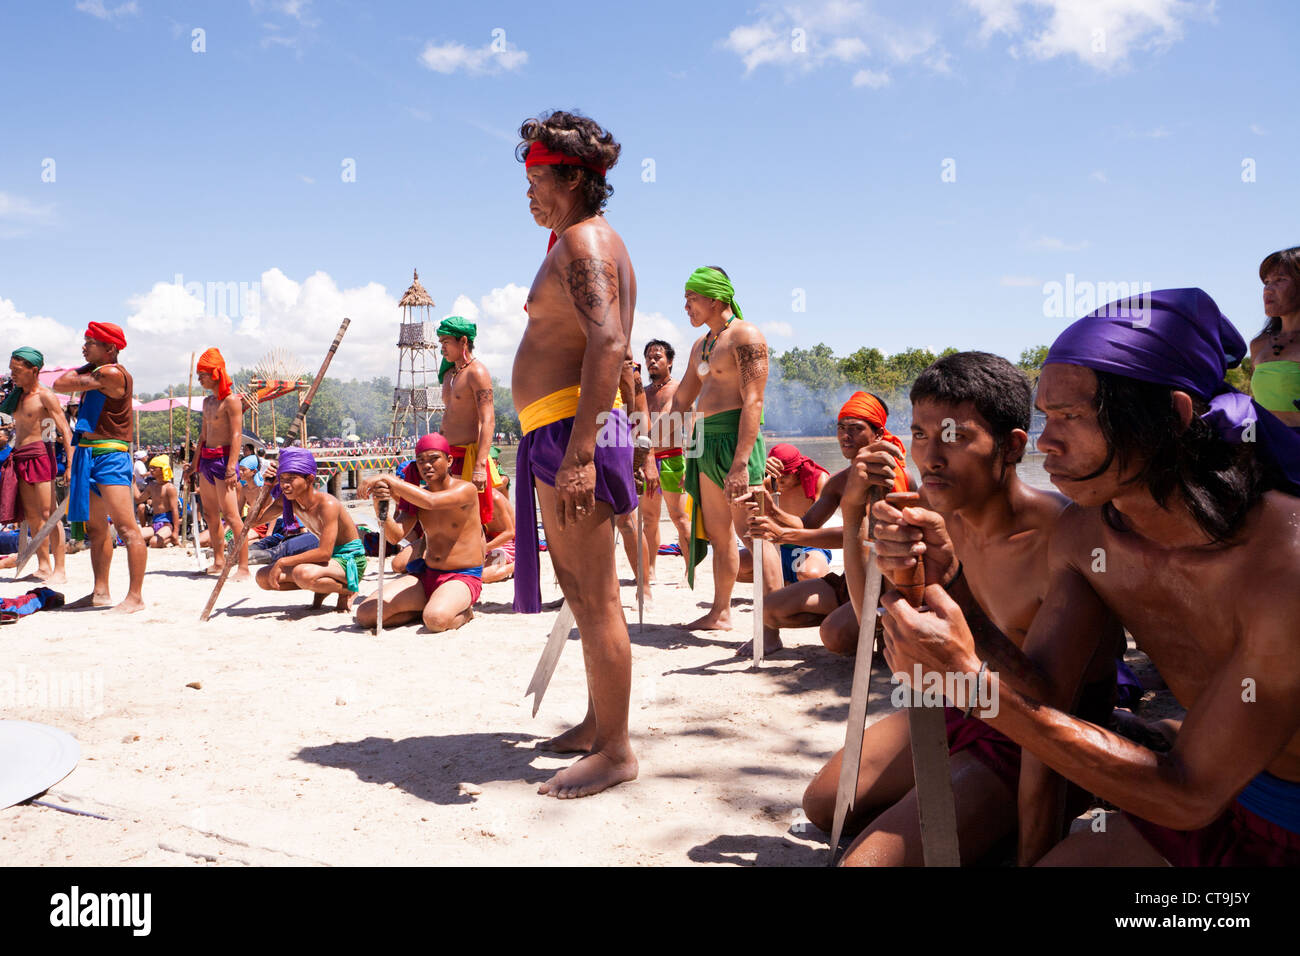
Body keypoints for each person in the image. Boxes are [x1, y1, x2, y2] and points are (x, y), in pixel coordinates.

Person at [880, 291, 1300, 866]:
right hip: (1220, 797)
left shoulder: (1283, 564)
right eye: (1046, 417)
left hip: (1226, 804)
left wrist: (969, 684)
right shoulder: (1090, 536)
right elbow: (1048, 693)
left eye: (1073, 418)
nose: (1047, 443)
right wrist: (949, 584)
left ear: (1173, 416)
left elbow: (1187, 795)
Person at [802, 353, 1123, 866]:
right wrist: (854, 513)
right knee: (821, 805)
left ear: (1013, 446)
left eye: (954, 436)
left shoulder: (1065, 538)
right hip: (959, 705)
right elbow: (870, 626)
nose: (930, 457)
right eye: (922, 435)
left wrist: (1032, 855)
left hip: (1033, 739)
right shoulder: (934, 515)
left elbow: (1048, 719)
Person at [511, 109, 639, 798]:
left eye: (536, 178)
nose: (528, 192)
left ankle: (616, 751)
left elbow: (610, 344)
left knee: (595, 597)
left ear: (569, 178)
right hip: (562, 429)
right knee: (581, 591)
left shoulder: (585, 244)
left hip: (573, 432)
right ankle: (598, 723)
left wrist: (583, 451)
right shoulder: (580, 241)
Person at [742, 392, 909, 657]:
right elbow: (807, 523)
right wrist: (772, 509)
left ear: (878, 434)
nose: (845, 435)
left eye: (856, 429)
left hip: (889, 585)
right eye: (841, 428)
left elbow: (865, 535)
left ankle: (878, 625)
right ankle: (854, 617)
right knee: (768, 610)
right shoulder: (839, 481)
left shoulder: (891, 477)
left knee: (834, 637)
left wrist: (786, 533)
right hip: (853, 579)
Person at [667, 266, 775, 631]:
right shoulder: (703, 344)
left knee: (754, 534)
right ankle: (721, 611)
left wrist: (741, 463)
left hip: (735, 441)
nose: (686, 307)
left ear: (715, 298)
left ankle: (772, 626)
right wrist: (654, 445)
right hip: (703, 441)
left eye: (691, 299)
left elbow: (754, 402)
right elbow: (683, 397)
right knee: (719, 534)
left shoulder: (746, 336)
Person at [52, 322, 145, 613]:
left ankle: (135, 597)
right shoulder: (99, 370)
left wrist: (84, 367)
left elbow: (60, 383)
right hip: (90, 454)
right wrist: (87, 363)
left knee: (127, 529)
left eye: (90, 342)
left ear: (110, 349)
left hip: (110, 456)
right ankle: (100, 592)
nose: (84, 346)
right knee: (96, 528)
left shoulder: (110, 373)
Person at [354, 433, 485, 631]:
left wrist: (389, 479)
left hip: (462, 576)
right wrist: (379, 505)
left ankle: (465, 612)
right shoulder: (417, 495)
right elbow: (395, 536)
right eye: (421, 461)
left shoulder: (465, 489)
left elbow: (432, 502)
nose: (427, 466)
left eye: (434, 459)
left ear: (449, 460)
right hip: (427, 574)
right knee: (366, 614)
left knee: (435, 620)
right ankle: (426, 607)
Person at [252, 448, 365, 611]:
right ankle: (323, 587)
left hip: (349, 559)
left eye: (291, 479)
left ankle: (347, 589)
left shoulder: (328, 504)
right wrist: (267, 486)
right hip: (327, 560)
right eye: (282, 478)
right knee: (263, 577)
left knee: (302, 574)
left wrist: (283, 561)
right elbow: (255, 521)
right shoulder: (289, 501)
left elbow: (324, 553)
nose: (284, 484)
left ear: (310, 478)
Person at [0, 347, 72, 583]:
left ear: (33, 370)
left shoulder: (45, 396)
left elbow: (64, 429)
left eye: (17, 370)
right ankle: (43, 565)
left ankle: (59, 568)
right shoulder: (17, 397)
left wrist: (70, 463)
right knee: (31, 516)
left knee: (49, 514)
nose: (13, 374)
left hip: (41, 455)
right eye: (11, 369)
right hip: (20, 455)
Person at [183, 348, 250, 579]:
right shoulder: (207, 402)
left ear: (215, 373)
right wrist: (193, 464)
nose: (199, 378)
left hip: (224, 460)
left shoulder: (232, 401)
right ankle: (219, 560)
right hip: (206, 461)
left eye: (202, 373)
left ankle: (243, 567)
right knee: (211, 514)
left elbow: (236, 436)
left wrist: (232, 467)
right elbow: (203, 436)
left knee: (232, 515)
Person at [436, 316, 502, 523]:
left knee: (470, 518)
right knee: (447, 515)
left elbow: (488, 420)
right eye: (441, 343)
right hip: (446, 455)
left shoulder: (477, 372)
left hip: (467, 457)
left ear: (463, 341)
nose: (442, 348)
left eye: (446, 342)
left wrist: (480, 467)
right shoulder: (449, 374)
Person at [640, 339, 692, 578]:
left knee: (680, 518)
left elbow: (691, 428)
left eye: (657, 356)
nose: (652, 360)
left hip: (673, 458)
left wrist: (691, 463)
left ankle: (689, 570)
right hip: (648, 461)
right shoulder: (642, 394)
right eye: (649, 356)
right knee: (649, 519)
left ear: (669, 361)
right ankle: (650, 570)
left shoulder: (680, 389)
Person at [1249, 246, 1300, 430]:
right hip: (1263, 450)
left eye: (1280, 280)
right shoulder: (1258, 345)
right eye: (1266, 282)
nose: (1268, 289)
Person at [138, 455, 180, 549]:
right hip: (155, 522)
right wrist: (132, 483)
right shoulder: (151, 486)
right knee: (135, 537)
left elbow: (175, 510)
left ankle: (170, 539)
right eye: (150, 468)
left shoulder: (170, 488)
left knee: (154, 543)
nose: (151, 470)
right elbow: (139, 499)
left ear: (162, 469)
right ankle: (153, 538)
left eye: (154, 468)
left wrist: (176, 532)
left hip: (167, 524)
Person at [482, 473, 516, 584]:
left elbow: (510, 533)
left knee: (484, 576)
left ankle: (516, 566)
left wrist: (484, 548)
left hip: (506, 540)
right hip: (487, 539)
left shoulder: (494, 498)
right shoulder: (466, 496)